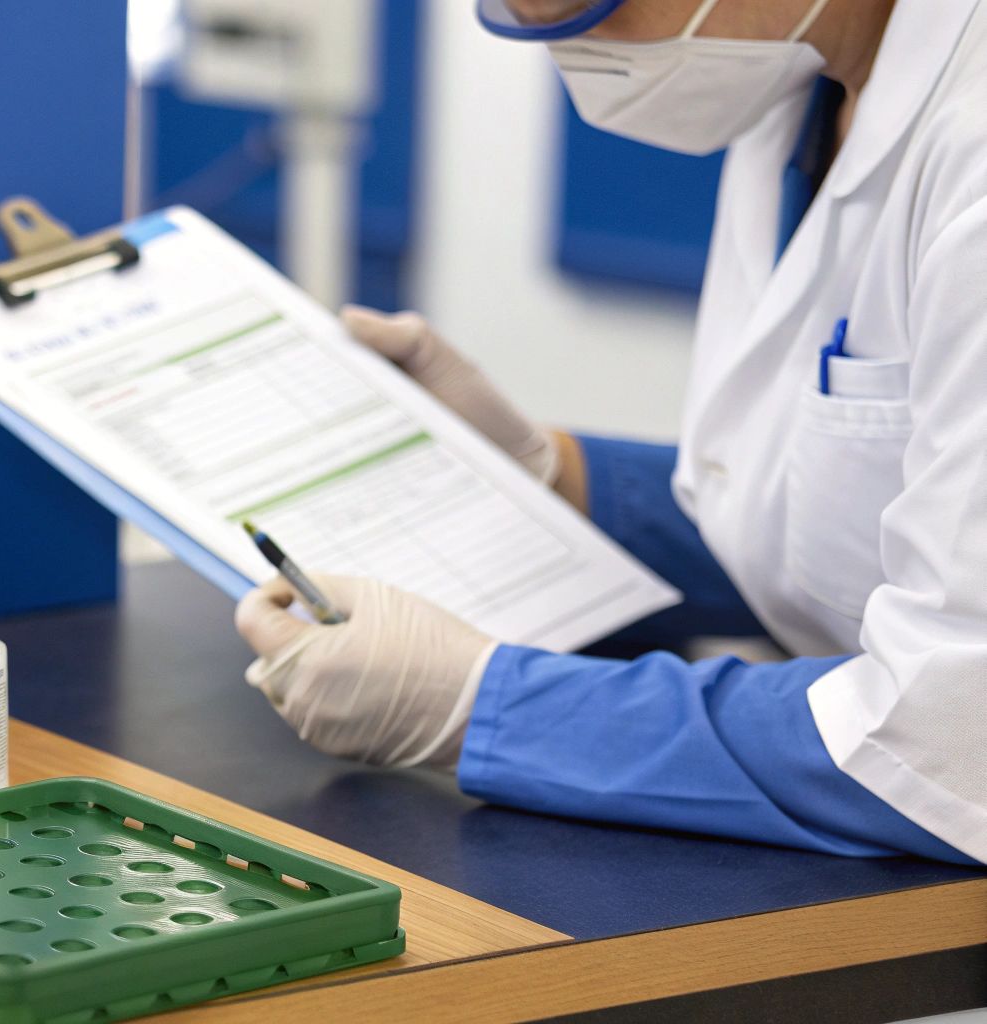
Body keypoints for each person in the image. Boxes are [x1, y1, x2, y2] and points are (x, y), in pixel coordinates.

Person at [234, 0, 987, 865]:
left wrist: (485, 705)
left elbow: (947, 740)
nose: (557, 40)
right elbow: (859, 531)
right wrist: (555, 476)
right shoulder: (800, 78)